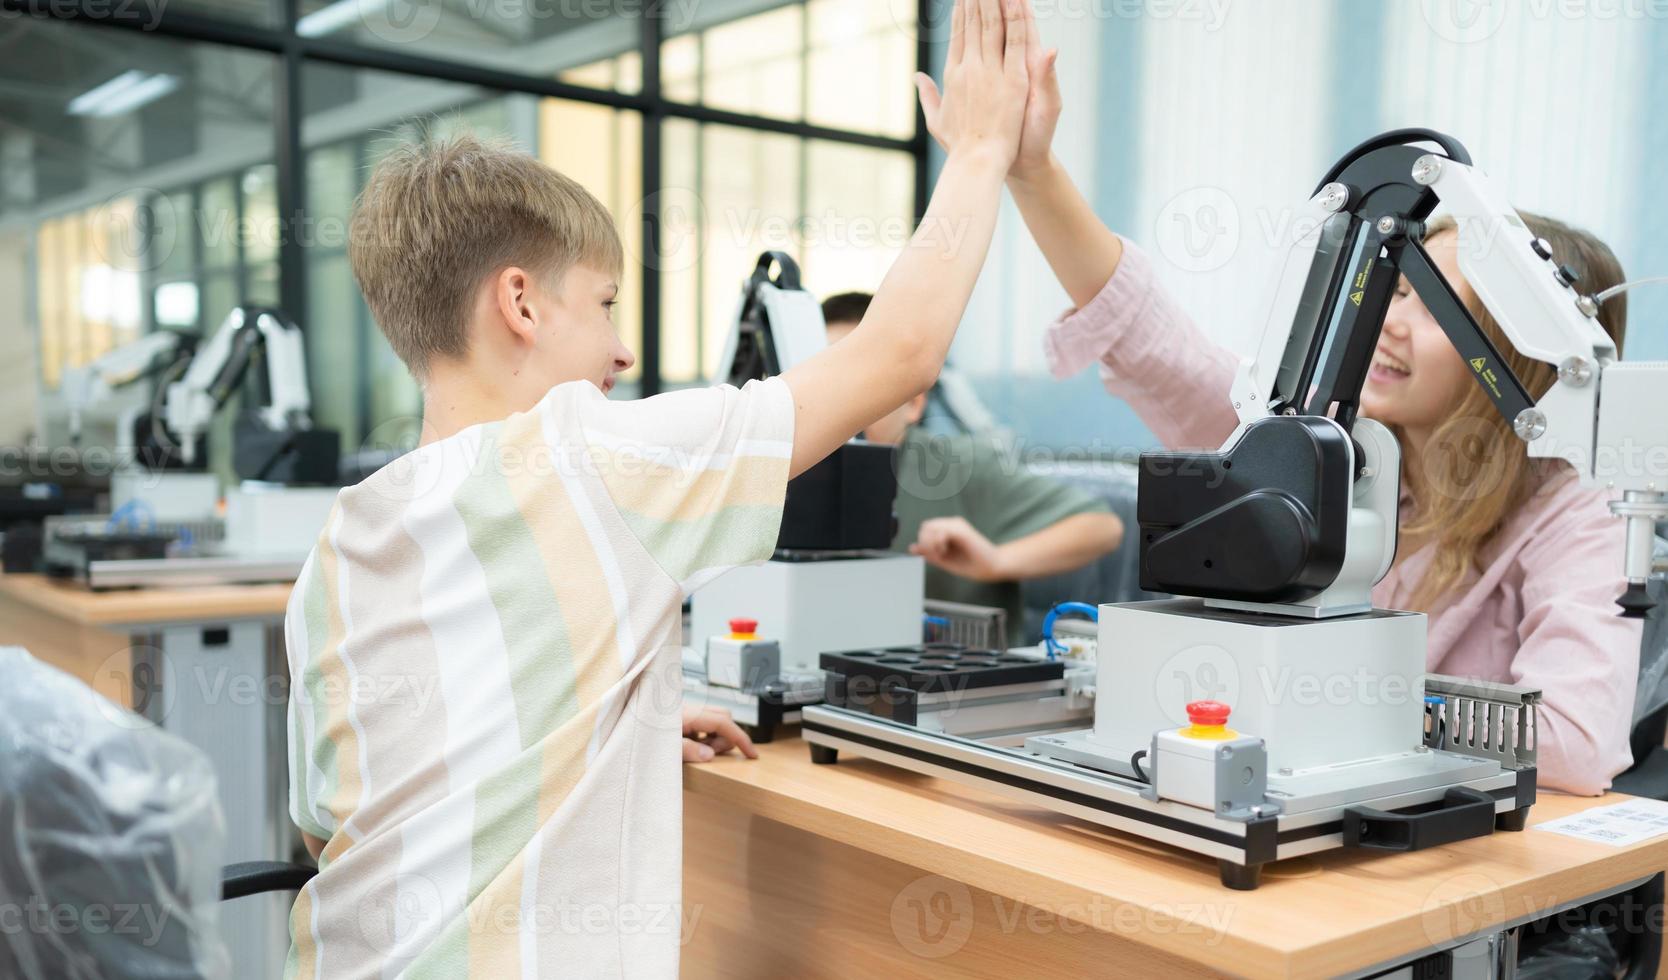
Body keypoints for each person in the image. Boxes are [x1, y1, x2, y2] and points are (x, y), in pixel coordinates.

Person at [282, 1, 1031, 974]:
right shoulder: (586, 456)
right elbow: (897, 355)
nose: (622, 346)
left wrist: (599, 721)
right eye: (601, 304)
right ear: (518, 301)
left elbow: (335, 818)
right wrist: (979, 150)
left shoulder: (340, 540)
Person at [915, 0, 1642, 794]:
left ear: (1526, 356)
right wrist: (1032, 171)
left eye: (1444, 311)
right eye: (1401, 291)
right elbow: (1154, 343)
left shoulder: (1575, 517)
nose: (1391, 325)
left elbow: (1572, 744)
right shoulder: (1334, 449)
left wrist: (1338, 696)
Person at [821, 291, 1123, 645]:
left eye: (859, 380)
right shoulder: (787, 476)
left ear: (914, 403)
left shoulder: (958, 467)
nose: (838, 401)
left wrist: (995, 561)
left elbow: (1102, 527)